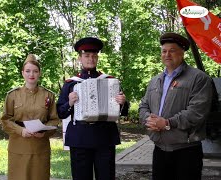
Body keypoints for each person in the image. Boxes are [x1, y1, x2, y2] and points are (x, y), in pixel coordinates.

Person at [139, 32, 213, 180]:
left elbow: (197, 112)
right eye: (164, 51)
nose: (167, 54)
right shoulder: (155, 80)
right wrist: (149, 120)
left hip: (187, 151)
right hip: (159, 149)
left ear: (182, 53)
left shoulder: (199, 78)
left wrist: (167, 123)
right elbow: (143, 105)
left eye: (172, 50)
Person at [57, 37, 129, 180]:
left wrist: (123, 102)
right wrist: (70, 103)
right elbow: (60, 112)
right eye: (87, 55)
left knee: (106, 177)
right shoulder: (71, 83)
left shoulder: (110, 81)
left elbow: (123, 111)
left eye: (94, 56)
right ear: (79, 58)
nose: (91, 59)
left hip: (104, 136)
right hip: (80, 138)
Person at [0, 54, 60, 180]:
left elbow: (54, 120)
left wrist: (44, 132)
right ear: (22, 73)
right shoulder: (12, 95)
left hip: (40, 147)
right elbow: (5, 120)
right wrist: (20, 131)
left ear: (39, 73)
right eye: (27, 71)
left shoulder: (48, 95)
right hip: (18, 147)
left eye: (35, 71)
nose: (31, 74)